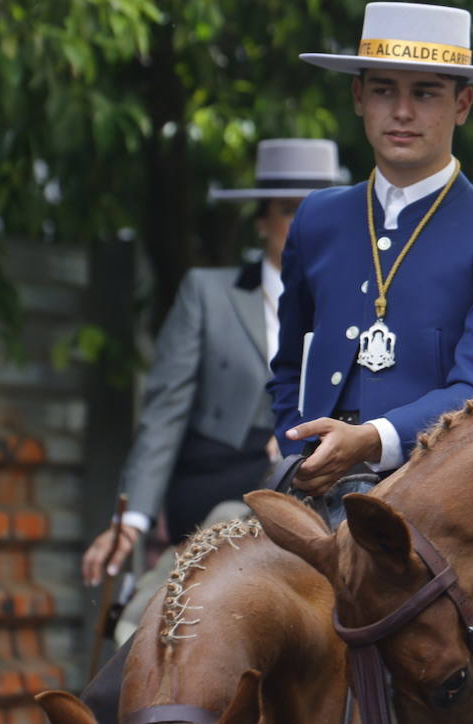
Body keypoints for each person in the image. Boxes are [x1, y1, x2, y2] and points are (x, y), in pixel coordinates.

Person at [272, 1, 473, 495]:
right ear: (359, 96)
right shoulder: (318, 217)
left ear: (462, 105)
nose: (402, 112)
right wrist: (296, 448)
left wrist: (370, 439)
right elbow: (288, 368)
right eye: (384, 90)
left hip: (441, 499)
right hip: (309, 493)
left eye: (425, 93)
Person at [81, 138, 342, 586]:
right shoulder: (207, 294)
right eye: (290, 210)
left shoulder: (359, 301)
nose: (306, 224)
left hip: (320, 473)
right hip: (219, 475)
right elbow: (165, 413)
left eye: (318, 209)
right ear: (261, 221)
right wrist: (134, 518)